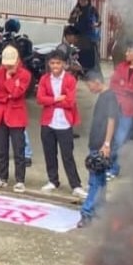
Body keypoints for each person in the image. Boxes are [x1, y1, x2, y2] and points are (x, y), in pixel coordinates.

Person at [36, 51, 86, 197]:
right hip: (48, 122)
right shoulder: (45, 79)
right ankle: (53, 180)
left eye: (58, 63)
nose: (55, 66)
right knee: (49, 153)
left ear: (64, 64)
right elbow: (40, 99)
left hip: (64, 123)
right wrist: (57, 99)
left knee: (67, 155)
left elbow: (70, 102)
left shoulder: (70, 79)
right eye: (52, 63)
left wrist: (50, 100)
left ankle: (75, 185)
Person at [78, 69, 119, 228]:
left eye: (89, 86)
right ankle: (100, 210)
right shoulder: (103, 96)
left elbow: (111, 120)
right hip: (97, 143)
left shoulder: (109, 97)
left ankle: (87, 212)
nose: (89, 89)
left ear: (97, 82)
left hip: (101, 145)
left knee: (95, 181)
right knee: (100, 180)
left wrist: (106, 144)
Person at [0, 46, 31, 192]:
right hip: (0, 115)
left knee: (19, 150)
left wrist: (8, 79)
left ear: (18, 61)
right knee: (2, 149)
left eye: (11, 64)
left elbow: (18, 93)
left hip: (17, 116)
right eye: (6, 64)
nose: (8, 67)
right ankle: (2, 177)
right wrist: (6, 97)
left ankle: (20, 180)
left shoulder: (24, 74)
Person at [108, 41, 133, 178]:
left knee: (121, 139)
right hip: (116, 107)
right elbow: (113, 84)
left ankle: (114, 169)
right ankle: (110, 166)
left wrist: (124, 87)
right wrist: (129, 88)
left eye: (129, 51)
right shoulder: (121, 67)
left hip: (131, 110)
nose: (126, 54)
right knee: (112, 138)